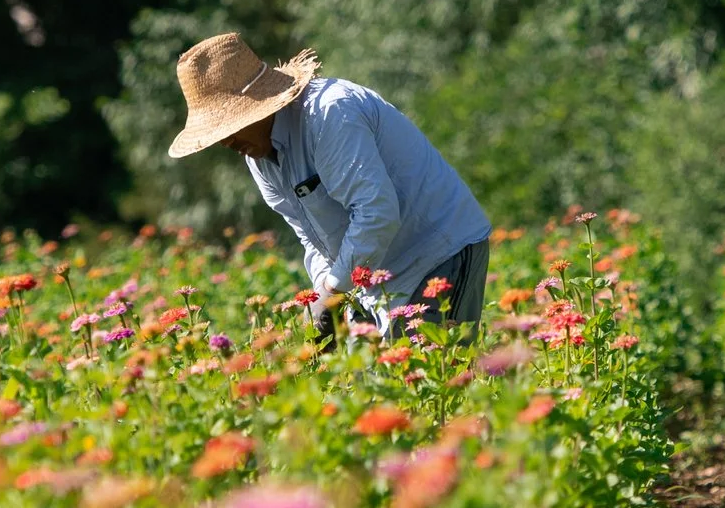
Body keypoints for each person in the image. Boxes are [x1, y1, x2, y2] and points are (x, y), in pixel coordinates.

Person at [166, 32, 491, 338]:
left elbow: (376, 212)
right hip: (370, 280)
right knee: (366, 391)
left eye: (228, 126)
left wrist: (333, 291)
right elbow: (313, 236)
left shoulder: (328, 114)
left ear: (258, 107)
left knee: (431, 385)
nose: (225, 141)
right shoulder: (258, 156)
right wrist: (325, 294)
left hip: (435, 252)